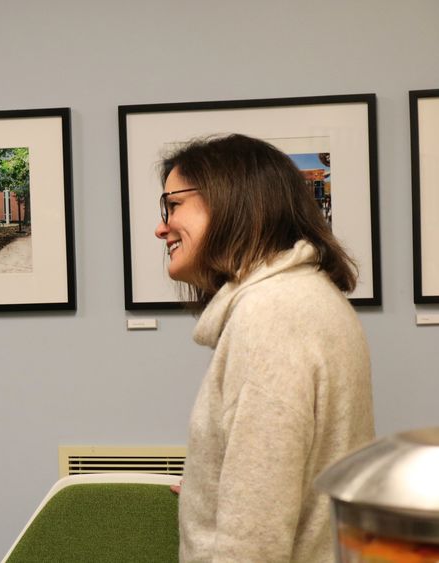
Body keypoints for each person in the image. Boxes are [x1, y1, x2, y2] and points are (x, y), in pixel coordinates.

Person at [154, 134, 374, 562]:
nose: (160, 227)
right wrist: (218, 489)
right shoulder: (306, 299)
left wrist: (242, 506)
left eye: (173, 205)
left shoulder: (272, 316)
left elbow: (253, 541)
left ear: (230, 200)